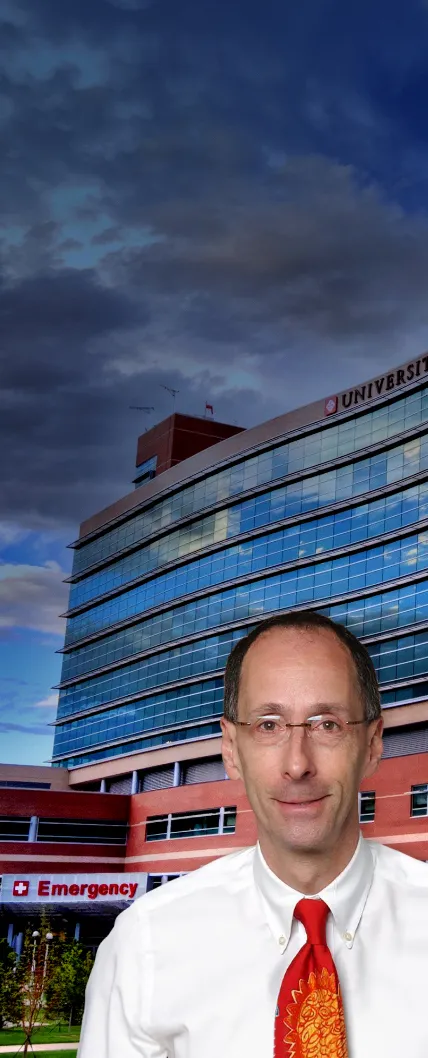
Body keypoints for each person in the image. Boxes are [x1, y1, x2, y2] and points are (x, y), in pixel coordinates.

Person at [77, 610, 428, 1058]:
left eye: (327, 724)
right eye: (268, 726)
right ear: (230, 749)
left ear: (373, 744)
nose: (298, 764)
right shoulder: (145, 944)